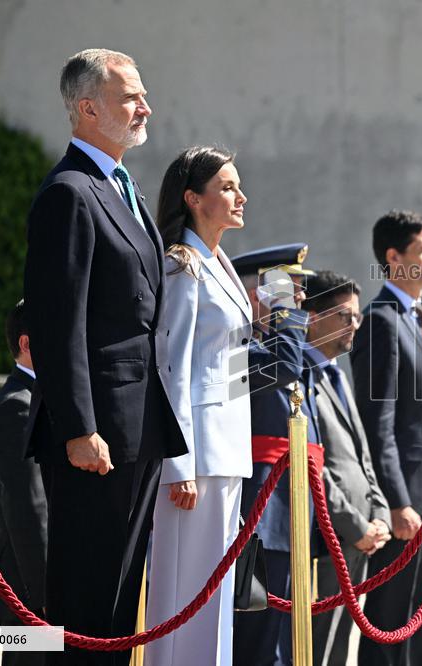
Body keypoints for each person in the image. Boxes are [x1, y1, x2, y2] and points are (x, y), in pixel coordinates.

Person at [22, 48, 186, 665]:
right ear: (89, 108)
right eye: (130, 97)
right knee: (87, 601)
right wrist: (78, 427)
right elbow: (57, 322)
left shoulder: (122, 185)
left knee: (119, 602)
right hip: (97, 434)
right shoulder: (69, 192)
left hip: (137, 424)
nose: (145, 108)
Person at [146, 147, 306, 666]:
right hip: (196, 459)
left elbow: (230, 366)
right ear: (193, 199)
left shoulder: (219, 266)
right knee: (184, 597)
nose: (241, 196)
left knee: (213, 600)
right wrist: (179, 463)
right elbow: (172, 366)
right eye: (228, 187)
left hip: (226, 452)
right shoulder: (182, 265)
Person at [351, 209, 422, 666]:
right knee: (392, 622)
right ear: (394, 257)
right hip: (407, 501)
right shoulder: (381, 321)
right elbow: (379, 422)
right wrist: (396, 501)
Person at [300, 270, 391, 666]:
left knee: (340, 648)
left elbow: (361, 457)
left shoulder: (337, 373)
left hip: (360, 535)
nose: (355, 324)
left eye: (358, 316)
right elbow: (311, 465)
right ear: (313, 318)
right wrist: (355, 526)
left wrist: (379, 514)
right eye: (345, 316)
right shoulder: (298, 378)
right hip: (329, 538)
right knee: (316, 648)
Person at [231, 243, 315, 666]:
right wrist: (283, 310)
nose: (299, 300)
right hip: (259, 512)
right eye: (288, 289)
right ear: (257, 294)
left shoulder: (278, 346)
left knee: (284, 642)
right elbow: (285, 366)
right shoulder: (234, 348)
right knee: (255, 642)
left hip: (293, 510)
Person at [0, 300, 47, 666]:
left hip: (32, 586)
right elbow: (29, 511)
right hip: (29, 587)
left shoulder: (34, 398)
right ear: (26, 344)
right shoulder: (17, 407)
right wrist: (48, 593)